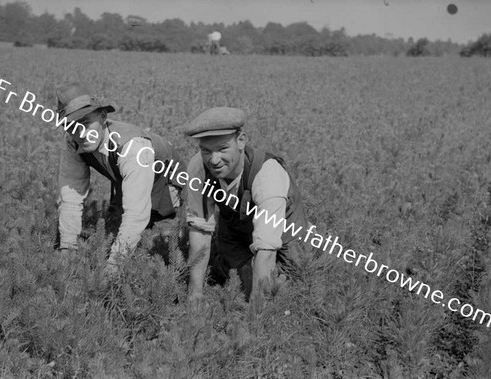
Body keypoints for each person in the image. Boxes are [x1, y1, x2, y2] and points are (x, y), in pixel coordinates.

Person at [55, 82, 185, 275]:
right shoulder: (73, 142)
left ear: (103, 116)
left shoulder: (133, 148)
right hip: (127, 176)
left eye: (85, 124)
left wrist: (113, 268)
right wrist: (67, 247)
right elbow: (70, 196)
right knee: (122, 229)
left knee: (162, 246)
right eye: (71, 127)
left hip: (165, 180)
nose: (80, 133)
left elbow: (136, 214)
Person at [179, 107, 307, 301]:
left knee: (286, 288)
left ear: (241, 141)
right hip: (237, 232)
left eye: (222, 149)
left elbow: (267, 247)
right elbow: (200, 229)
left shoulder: (266, 175)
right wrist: (194, 294)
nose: (213, 160)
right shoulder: (199, 168)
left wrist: (256, 314)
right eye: (206, 150)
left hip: (284, 236)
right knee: (237, 281)